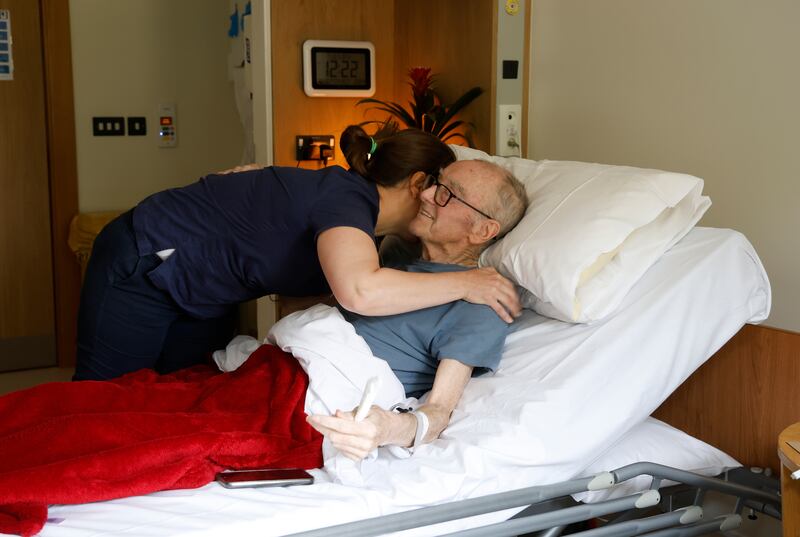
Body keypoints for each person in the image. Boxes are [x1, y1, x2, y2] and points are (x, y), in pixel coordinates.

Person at [74, 125, 522, 381]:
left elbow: (306, 303)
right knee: (103, 395)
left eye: (448, 196)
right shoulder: (347, 202)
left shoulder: (374, 239)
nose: (434, 200)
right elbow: (360, 293)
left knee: (178, 391)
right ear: (417, 183)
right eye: (439, 189)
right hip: (148, 257)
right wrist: (467, 281)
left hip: (204, 291)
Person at [307, 159, 528, 461]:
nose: (426, 194)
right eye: (436, 182)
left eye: (448, 194)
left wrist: (385, 427)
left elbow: (438, 411)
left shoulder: (481, 306)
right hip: (281, 367)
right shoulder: (394, 265)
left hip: (313, 402)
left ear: (482, 230)